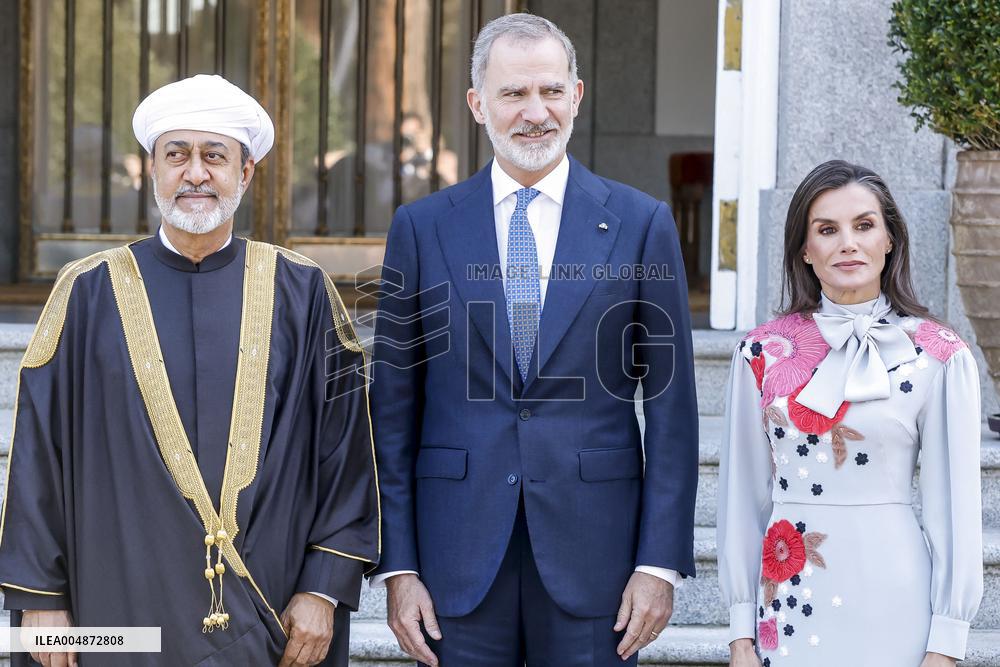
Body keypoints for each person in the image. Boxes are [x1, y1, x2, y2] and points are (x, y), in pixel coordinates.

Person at [0, 74, 380, 667]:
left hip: (273, 612)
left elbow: (345, 451)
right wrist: (42, 600)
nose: (195, 174)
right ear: (151, 169)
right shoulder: (86, 292)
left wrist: (323, 587)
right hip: (119, 611)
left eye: (215, 156)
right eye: (177, 155)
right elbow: (38, 456)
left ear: (246, 173)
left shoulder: (303, 293)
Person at [370, 13, 699, 667]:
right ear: (477, 105)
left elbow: (672, 409)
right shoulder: (421, 228)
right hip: (454, 558)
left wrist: (659, 562)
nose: (535, 112)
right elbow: (393, 411)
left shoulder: (641, 224)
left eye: (550, 90)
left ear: (577, 95)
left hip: (598, 560)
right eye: (513, 93)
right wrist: (397, 565)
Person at [717, 160, 984, 667]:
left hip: (897, 597)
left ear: (889, 239)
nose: (848, 243)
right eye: (827, 230)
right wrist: (740, 633)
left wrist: (946, 644)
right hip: (789, 597)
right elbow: (742, 500)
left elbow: (954, 510)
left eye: (864, 225)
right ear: (804, 248)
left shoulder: (938, 355)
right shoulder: (761, 354)